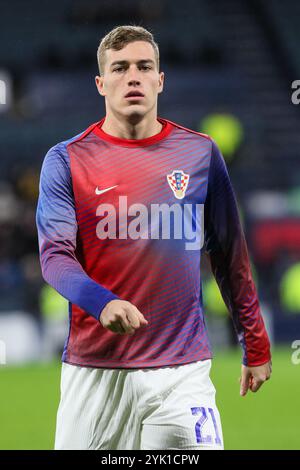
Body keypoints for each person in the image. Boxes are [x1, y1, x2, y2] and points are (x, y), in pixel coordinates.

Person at [36, 25, 272, 450]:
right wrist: (101, 301)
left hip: (182, 373)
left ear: (160, 80)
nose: (133, 77)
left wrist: (255, 343)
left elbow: (230, 255)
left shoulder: (200, 154)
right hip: (96, 373)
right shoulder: (67, 159)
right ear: (100, 82)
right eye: (120, 68)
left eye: (145, 67)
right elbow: (55, 257)